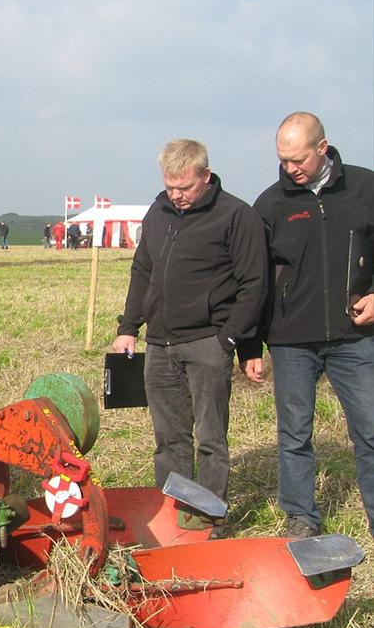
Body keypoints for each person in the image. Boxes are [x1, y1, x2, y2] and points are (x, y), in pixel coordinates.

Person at [112, 139, 267, 521]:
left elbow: (254, 284)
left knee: (211, 438)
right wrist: (129, 326)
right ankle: (173, 513)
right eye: (170, 186)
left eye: (185, 187)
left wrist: (229, 338)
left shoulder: (236, 216)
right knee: (169, 439)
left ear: (206, 176)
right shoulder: (158, 212)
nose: (177, 195)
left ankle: (208, 516)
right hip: (160, 345)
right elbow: (143, 271)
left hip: (207, 343)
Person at [246, 112, 374, 538]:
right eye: (283, 160)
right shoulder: (269, 205)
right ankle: (301, 518)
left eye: (298, 159)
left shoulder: (364, 188)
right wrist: (251, 345)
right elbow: (255, 278)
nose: (290, 169)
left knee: (370, 430)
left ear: (323, 148)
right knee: (294, 434)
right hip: (291, 341)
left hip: (355, 337)